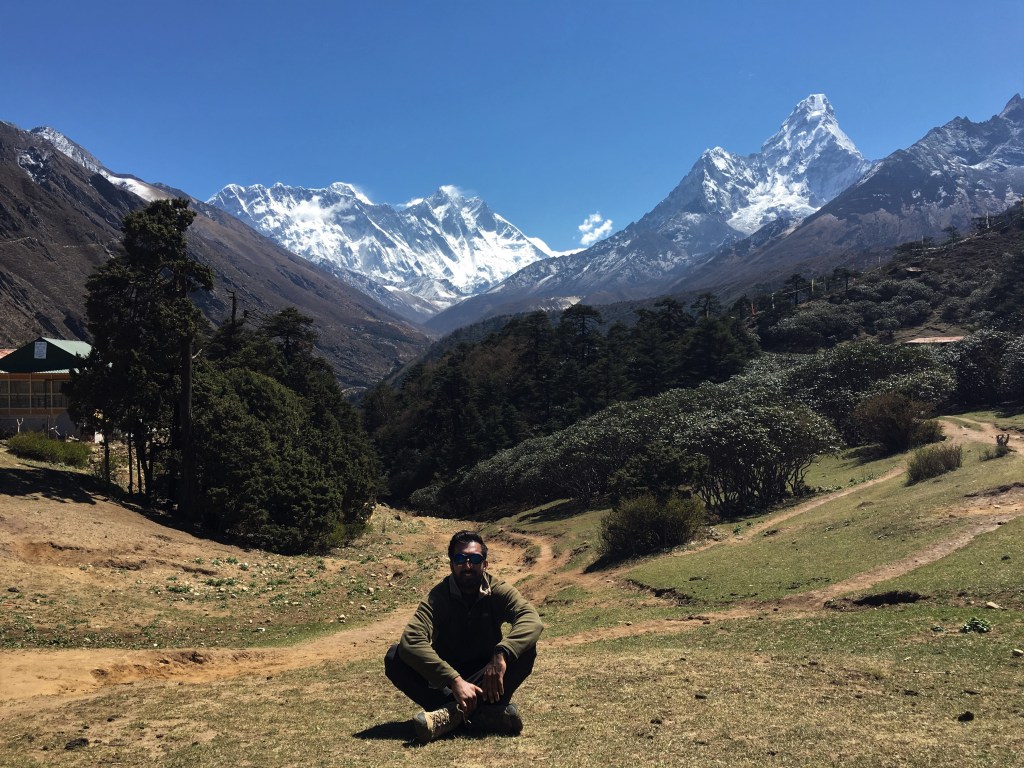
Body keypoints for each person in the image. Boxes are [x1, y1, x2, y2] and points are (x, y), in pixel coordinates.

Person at [385, 530, 543, 743]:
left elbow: (531, 619)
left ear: (484, 564)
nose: (467, 565)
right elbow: (412, 640)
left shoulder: (498, 590)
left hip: (488, 678)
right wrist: (454, 680)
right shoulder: (438, 597)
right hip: (447, 685)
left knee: (526, 648)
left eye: (475, 559)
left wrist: (501, 652)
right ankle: (484, 716)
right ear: (451, 564)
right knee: (395, 657)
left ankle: (449, 716)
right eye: (460, 559)